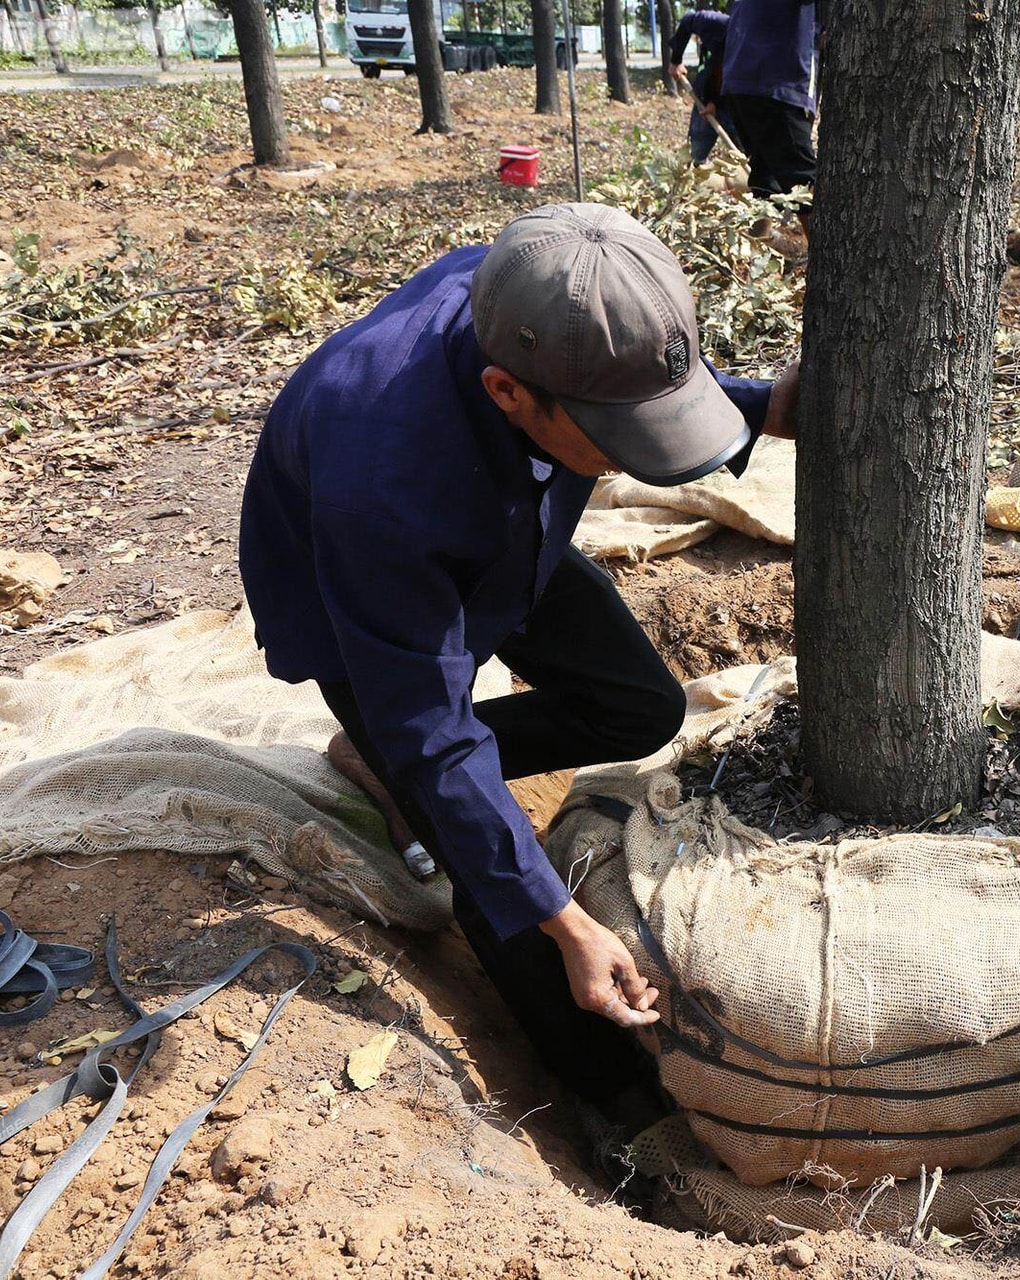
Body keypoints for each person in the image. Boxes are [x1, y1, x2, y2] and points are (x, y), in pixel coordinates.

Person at [239, 203, 800, 1129]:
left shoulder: (554, 294)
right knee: (487, 867)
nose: (636, 460)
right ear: (508, 394)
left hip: (511, 518)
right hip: (367, 594)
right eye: (618, 440)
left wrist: (753, 407)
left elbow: (629, 383)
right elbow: (436, 730)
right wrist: (568, 922)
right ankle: (614, 1107)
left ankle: (377, 761)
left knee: (640, 705)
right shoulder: (384, 489)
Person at [719, 0, 818, 204]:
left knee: (765, 176)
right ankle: (823, 237)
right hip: (777, 83)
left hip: (741, 84)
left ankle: (761, 236)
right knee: (803, 183)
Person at [666, 0, 741, 166]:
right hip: (705, 93)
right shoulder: (716, 23)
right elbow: (688, 20)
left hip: (736, 100)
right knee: (696, 152)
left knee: (744, 152)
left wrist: (717, 102)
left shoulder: (757, 46)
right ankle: (696, 174)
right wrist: (675, 61)